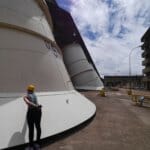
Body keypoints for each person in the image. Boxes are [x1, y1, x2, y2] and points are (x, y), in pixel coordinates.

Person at [24, 85, 42, 149]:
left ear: (27, 90)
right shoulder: (34, 94)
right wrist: (37, 106)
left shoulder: (27, 96)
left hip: (32, 112)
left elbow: (28, 102)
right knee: (38, 127)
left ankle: (31, 146)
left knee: (31, 129)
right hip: (38, 111)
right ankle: (38, 144)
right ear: (33, 90)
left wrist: (34, 105)